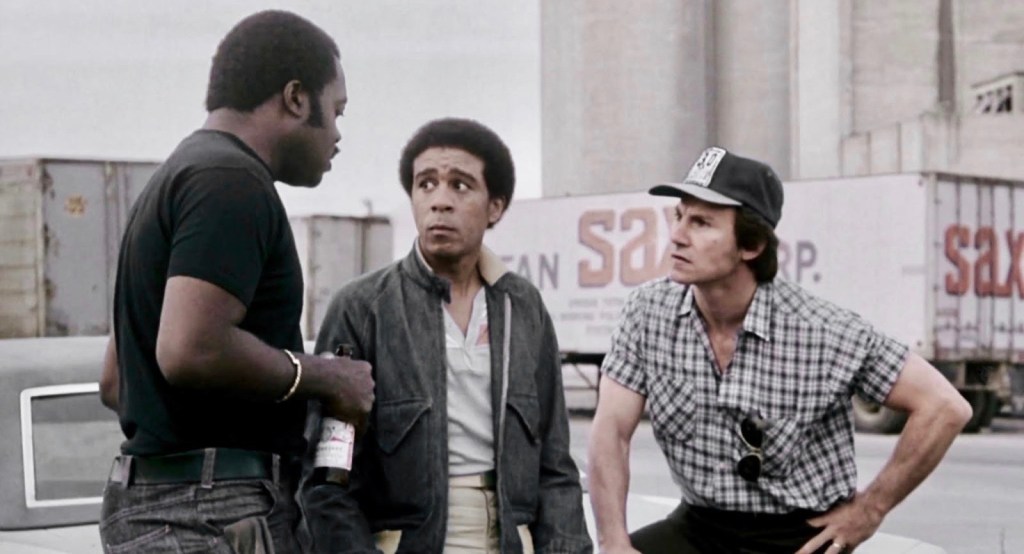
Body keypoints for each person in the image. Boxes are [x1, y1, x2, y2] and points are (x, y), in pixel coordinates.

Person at [587, 146, 973, 554]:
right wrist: (614, 542)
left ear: (751, 245)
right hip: (698, 525)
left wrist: (870, 509)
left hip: (794, 535)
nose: (677, 235)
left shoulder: (823, 330)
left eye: (701, 223)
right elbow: (611, 431)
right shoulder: (647, 312)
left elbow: (945, 407)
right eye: (679, 215)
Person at [97, 10, 374, 553]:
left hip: (168, 507)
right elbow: (188, 349)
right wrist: (328, 378)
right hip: (212, 513)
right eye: (337, 111)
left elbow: (115, 381)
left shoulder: (177, 176)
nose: (338, 135)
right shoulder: (230, 181)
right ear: (296, 98)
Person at [302, 117, 592, 553]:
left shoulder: (522, 307)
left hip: (513, 539)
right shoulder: (363, 308)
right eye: (426, 184)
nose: (439, 201)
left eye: (460, 185)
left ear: (495, 207)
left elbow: (556, 469)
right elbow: (328, 477)